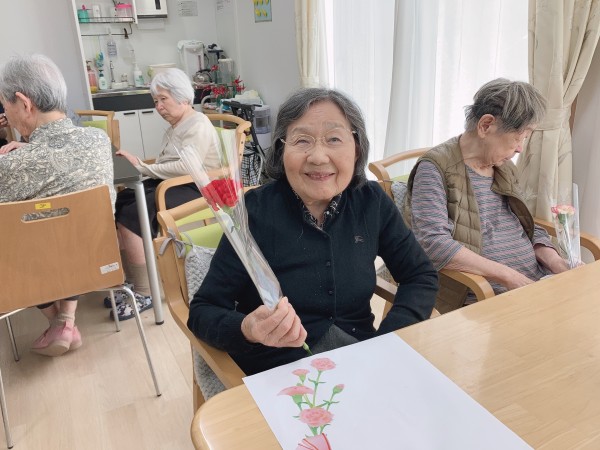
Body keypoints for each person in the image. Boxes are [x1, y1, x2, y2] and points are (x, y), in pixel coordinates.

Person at [188, 88, 438, 375]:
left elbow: (420, 275)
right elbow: (203, 311)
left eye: (334, 139)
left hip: (361, 359)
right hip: (279, 372)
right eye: (302, 140)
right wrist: (248, 328)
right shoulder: (253, 212)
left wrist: (386, 342)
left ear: (357, 148)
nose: (318, 157)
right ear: (281, 150)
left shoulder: (371, 201)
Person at [403, 78, 569, 314]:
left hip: (534, 285)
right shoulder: (434, 169)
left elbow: (526, 227)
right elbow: (433, 243)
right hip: (487, 295)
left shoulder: (504, 167)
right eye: (518, 137)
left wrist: (555, 262)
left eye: (525, 138)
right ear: (486, 125)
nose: (520, 148)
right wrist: (508, 276)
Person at [0, 54, 115, 356]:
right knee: (65, 232)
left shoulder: (10, 166)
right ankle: (65, 321)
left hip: (29, 276)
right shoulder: (99, 141)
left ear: (24, 103)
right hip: (95, 262)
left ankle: (57, 322)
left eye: (4, 105)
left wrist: (21, 155)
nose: (5, 113)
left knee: (19, 243)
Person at [112, 68, 222, 321]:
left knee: (132, 214)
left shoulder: (197, 124)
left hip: (195, 187)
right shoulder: (177, 125)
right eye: (155, 101)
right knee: (122, 201)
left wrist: (143, 167)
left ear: (182, 97)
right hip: (173, 183)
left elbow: (187, 167)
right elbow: (169, 163)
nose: (159, 107)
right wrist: (142, 166)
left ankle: (144, 292)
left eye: (164, 99)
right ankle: (134, 281)